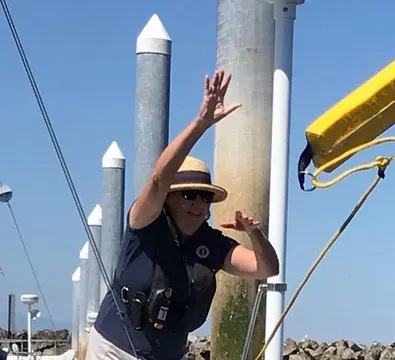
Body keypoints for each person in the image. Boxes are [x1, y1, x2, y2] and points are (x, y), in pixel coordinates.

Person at [85, 69, 280, 360]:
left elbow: (266, 268)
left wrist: (255, 234)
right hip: (115, 350)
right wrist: (202, 123)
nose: (198, 204)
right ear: (169, 198)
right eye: (189, 195)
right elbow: (158, 179)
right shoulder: (145, 223)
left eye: (205, 197)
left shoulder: (212, 244)